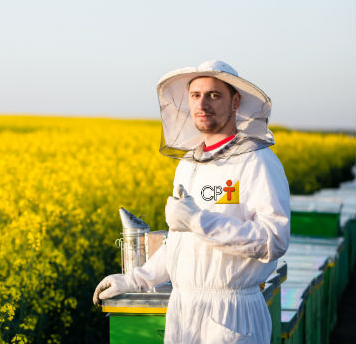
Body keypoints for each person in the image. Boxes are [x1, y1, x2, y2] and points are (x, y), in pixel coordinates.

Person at [93, 60, 290, 344]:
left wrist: (199, 221)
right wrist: (137, 279)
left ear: (235, 102)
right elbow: (179, 243)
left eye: (214, 95)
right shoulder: (188, 164)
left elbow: (274, 240)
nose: (202, 104)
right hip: (183, 310)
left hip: (231, 312)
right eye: (196, 95)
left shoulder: (256, 161)